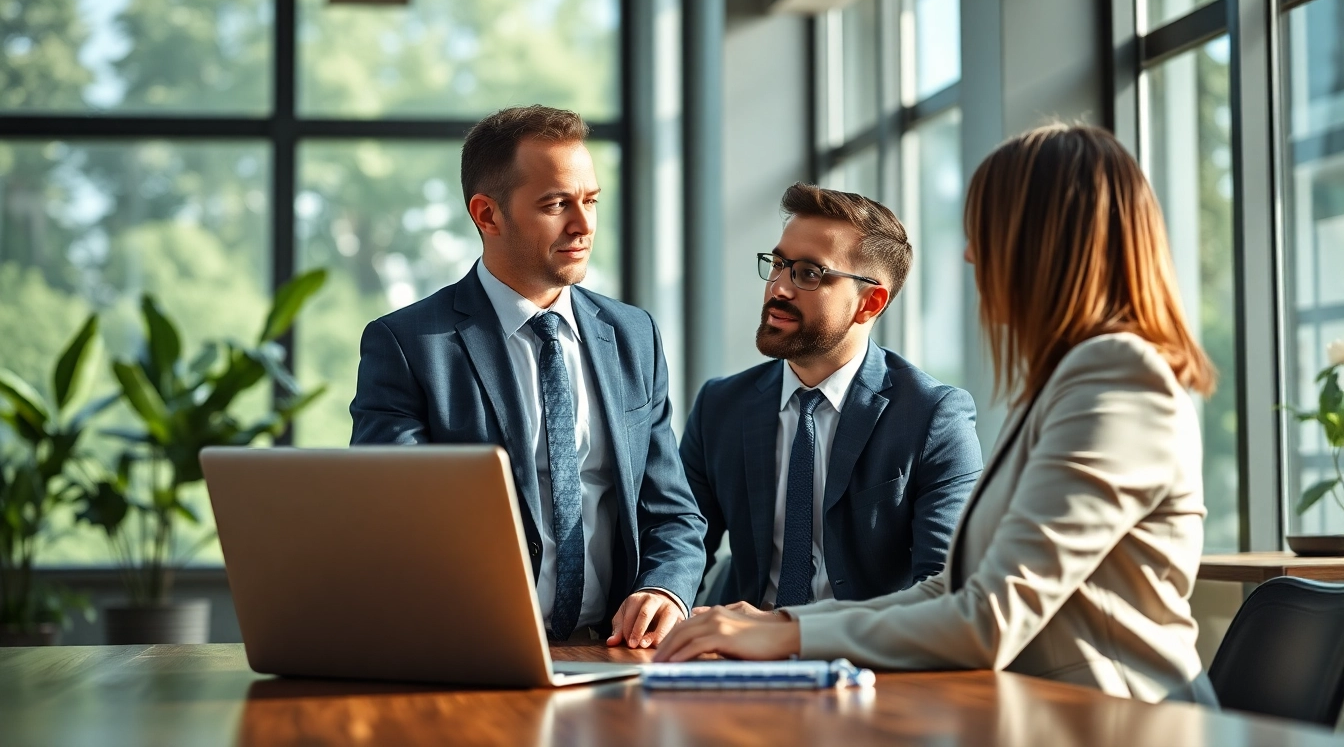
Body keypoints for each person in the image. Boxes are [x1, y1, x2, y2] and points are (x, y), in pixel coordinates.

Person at [657, 124, 1220, 706]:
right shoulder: (1064, 383)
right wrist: (776, 629)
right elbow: (952, 591)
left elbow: (990, 617)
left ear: (1045, 244)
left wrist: (789, 633)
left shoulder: (1116, 381)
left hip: (1127, 722)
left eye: (987, 231)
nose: (971, 253)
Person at [350, 105, 706, 649]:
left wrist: (666, 590)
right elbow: (395, 519)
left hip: (611, 656)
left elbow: (672, 513)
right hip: (470, 652)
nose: (583, 225)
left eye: (590, 201)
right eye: (556, 204)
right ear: (487, 215)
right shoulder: (407, 345)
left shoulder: (634, 335)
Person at [680, 183, 982, 611]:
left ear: (870, 302)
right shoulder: (721, 405)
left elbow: (945, 583)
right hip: (735, 654)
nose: (778, 288)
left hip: (866, 662)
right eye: (779, 265)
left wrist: (795, 635)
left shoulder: (934, 416)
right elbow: (681, 540)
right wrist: (664, 597)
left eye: (808, 273)